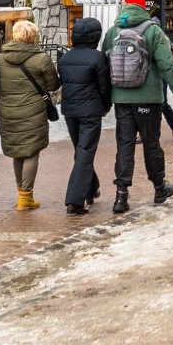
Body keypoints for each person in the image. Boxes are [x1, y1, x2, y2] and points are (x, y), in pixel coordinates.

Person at [103, 0, 173, 213]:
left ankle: (121, 196)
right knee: (151, 144)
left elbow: (105, 65)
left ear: (126, 7)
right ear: (143, 8)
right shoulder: (153, 31)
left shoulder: (113, 31)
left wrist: (107, 97)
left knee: (124, 146)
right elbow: (166, 63)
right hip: (148, 99)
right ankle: (159, 188)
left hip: (121, 100)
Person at [0, 21, 61, 211]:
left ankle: (21, 194)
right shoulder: (41, 58)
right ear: (33, 37)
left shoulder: (2, 58)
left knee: (18, 151)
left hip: (8, 110)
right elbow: (53, 85)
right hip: (33, 110)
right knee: (31, 152)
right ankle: (26, 197)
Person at [58, 17, 112, 215]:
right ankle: (75, 200)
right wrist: (106, 106)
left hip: (70, 111)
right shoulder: (97, 58)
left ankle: (91, 188)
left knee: (81, 152)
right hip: (90, 111)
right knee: (85, 152)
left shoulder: (65, 58)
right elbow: (104, 87)